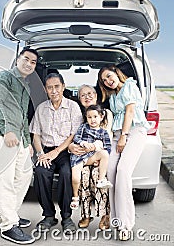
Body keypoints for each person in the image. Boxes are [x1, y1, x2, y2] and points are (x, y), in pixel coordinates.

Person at [0, 48, 38, 244]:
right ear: (18, 59)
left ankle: (7, 215)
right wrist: (7, 130)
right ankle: (8, 226)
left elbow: (23, 117)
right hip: (1, 135)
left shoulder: (26, 85)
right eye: (26, 59)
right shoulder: (4, 77)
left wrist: (27, 141)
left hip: (19, 138)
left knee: (24, 175)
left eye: (33, 62)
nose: (29, 64)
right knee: (5, 180)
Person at [98, 65, 150, 241]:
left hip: (133, 131)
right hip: (118, 134)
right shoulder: (112, 96)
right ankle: (116, 221)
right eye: (104, 80)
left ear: (116, 72)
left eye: (109, 76)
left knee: (123, 171)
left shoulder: (129, 85)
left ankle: (126, 224)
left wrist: (124, 137)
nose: (108, 81)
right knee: (110, 173)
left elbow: (130, 111)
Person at [29, 73, 83, 233]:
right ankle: (49, 216)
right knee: (40, 172)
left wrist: (57, 152)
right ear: (45, 90)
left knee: (67, 174)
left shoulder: (73, 107)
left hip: (66, 150)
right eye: (50, 88)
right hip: (46, 150)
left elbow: (74, 134)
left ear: (63, 87)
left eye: (57, 87)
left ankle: (66, 217)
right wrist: (40, 154)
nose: (54, 91)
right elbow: (35, 134)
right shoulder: (41, 108)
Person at [68, 85, 112, 230]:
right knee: (84, 175)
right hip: (82, 157)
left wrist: (97, 148)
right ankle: (85, 214)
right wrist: (72, 146)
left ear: (96, 94)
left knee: (98, 176)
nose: (87, 97)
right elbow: (73, 137)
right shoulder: (76, 114)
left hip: (98, 156)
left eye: (90, 93)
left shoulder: (105, 113)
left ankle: (105, 214)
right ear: (79, 99)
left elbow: (107, 140)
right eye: (82, 95)